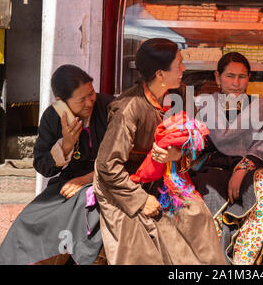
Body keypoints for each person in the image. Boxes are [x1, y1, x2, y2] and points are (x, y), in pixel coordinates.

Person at [94, 38, 225, 265]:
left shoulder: (182, 95)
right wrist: (140, 199)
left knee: (197, 217)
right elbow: (107, 166)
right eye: (178, 65)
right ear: (160, 74)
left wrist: (177, 156)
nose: (183, 69)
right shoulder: (128, 108)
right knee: (141, 249)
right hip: (123, 185)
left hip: (165, 178)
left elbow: (196, 147)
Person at [0, 65, 113, 265]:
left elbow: (121, 159)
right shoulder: (52, 117)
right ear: (61, 102)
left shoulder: (109, 107)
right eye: (81, 99)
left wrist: (86, 179)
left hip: (106, 181)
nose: (89, 102)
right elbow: (43, 166)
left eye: (91, 93)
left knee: (84, 207)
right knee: (31, 218)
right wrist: (66, 145)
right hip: (68, 184)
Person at [190, 52, 263, 265]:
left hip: (250, 169)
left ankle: (243, 261)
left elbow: (262, 145)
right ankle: (215, 263)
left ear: (249, 78)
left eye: (242, 76)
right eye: (230, 76)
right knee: (206, 195)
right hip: (213, 170)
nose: (236, 83)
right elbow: (194, 147)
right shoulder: (202, 106)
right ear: (218, 77)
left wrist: (242, 169)